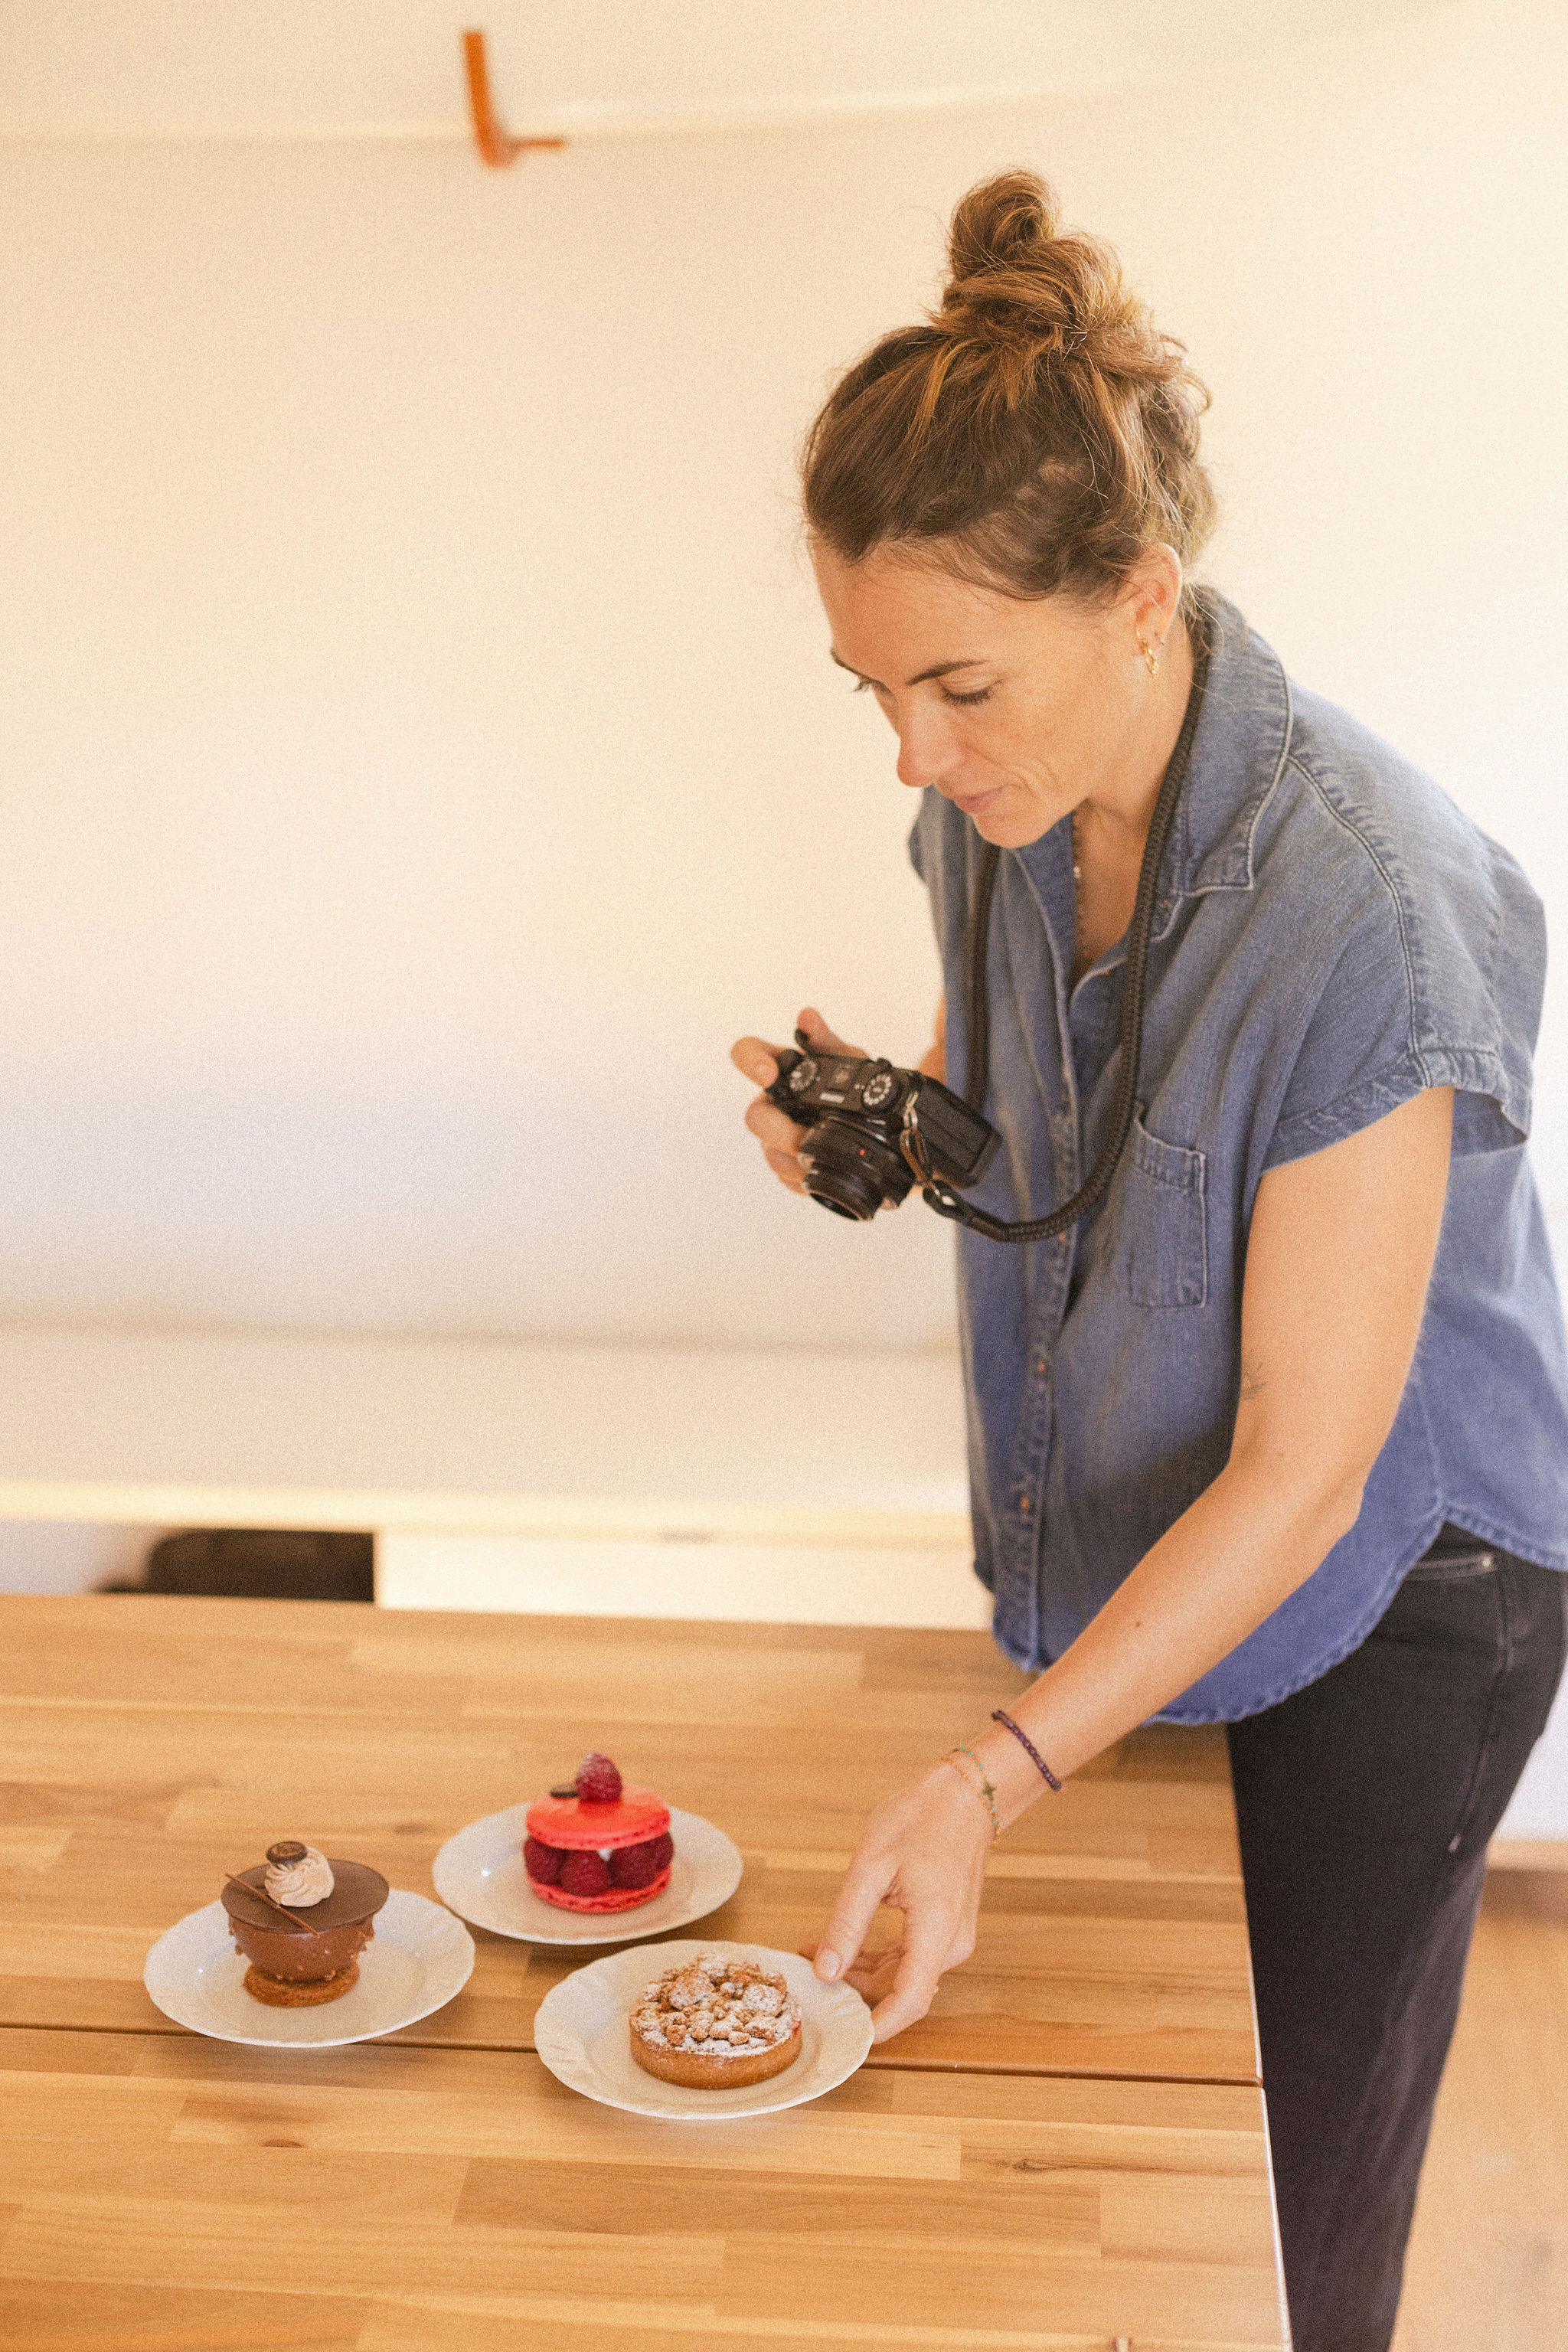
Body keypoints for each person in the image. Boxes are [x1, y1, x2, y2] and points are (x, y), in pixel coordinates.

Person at [731, 171, 1568, 2352]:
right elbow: (1016, 1104)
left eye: (955, 682)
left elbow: (1308, 1465)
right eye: (868, 686)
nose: (911, 750)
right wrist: (882, 1135)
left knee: (1289, 2189)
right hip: (1132, 1527)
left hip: (1403, 1589)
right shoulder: (993, 797)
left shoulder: (1368, 910)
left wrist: (986, 1777)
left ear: (1139, 595)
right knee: (1115, 2110)